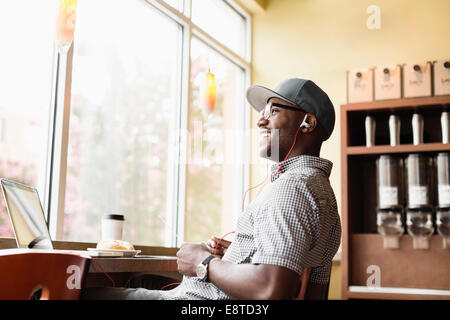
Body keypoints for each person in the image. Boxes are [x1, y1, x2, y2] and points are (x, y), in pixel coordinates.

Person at [81, 78, 341, 300]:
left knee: (78, 292)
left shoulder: (292, 188)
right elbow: (313, 291)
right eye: (262, 113)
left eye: (273, 111)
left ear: (307, 122)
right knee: (139, 279)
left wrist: (203, 263)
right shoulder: (322, 195)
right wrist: (237, 257)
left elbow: (270, 287)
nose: (261, 122)